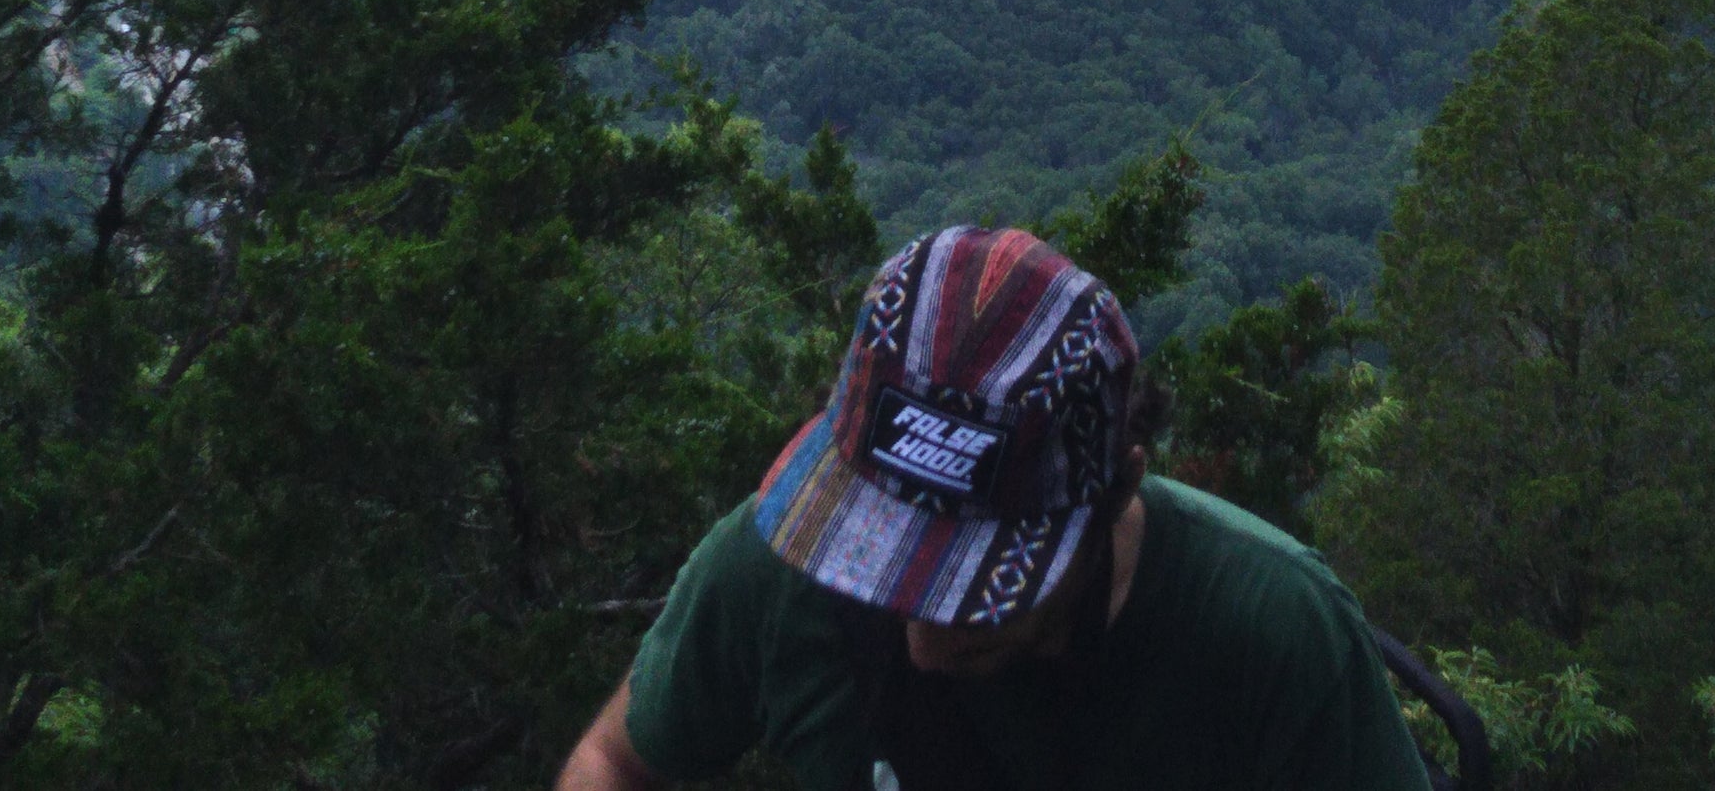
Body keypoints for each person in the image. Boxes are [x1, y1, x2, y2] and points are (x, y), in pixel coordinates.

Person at [558, 225, 1432, 791]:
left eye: (975, 590)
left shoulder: (1268, 634)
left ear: (1120, 485)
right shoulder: (784, 572)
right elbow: (614, 762)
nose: (924, 645)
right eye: (888, 565)